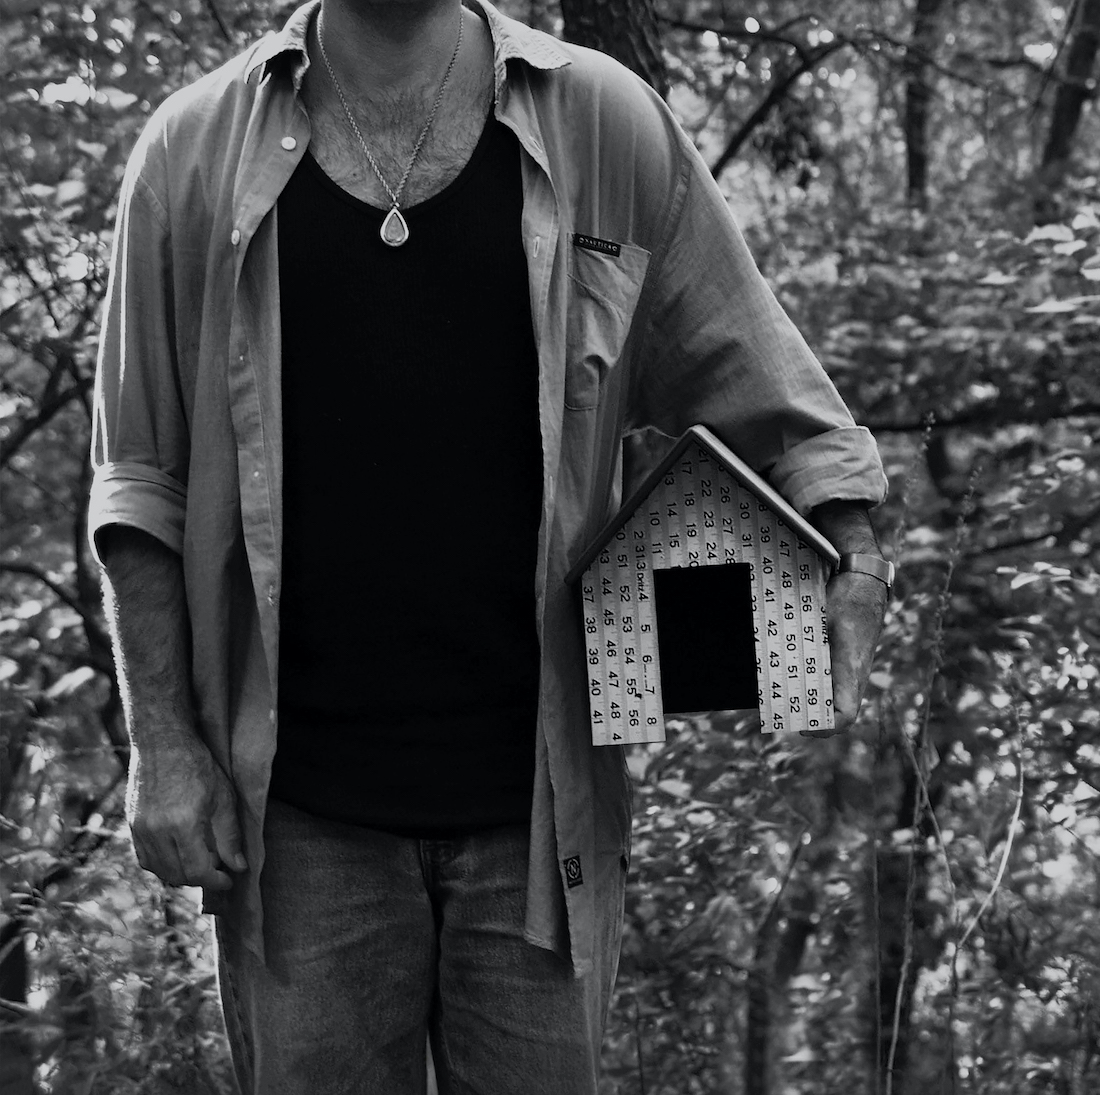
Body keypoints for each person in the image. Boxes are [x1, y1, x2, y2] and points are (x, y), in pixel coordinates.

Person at [90, 1, 891, 1091]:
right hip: (295, 824)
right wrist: (165, 748)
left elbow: (760, 381)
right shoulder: (191, 152)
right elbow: (142, 482)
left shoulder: (603, 124)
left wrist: (851, 542)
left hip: (543, 815)